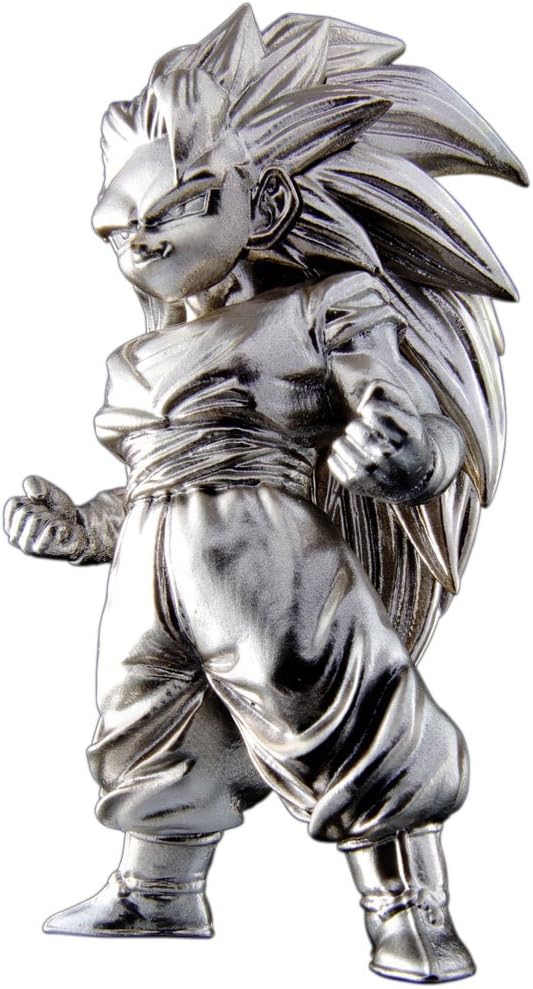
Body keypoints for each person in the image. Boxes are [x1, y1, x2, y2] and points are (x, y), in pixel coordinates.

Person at [3, 6, 526, 982]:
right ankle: (156, 888)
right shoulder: (137, 357)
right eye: (120, 227)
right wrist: (78, 527)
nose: (139, 241)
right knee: (141, 718)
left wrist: (404, 451)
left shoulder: (326, 306)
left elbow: (410, 419)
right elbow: (148, 483)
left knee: (335, 704)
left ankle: (407, 908)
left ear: (269, 197)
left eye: (177, 207)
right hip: (151, 564)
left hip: (268, 548)